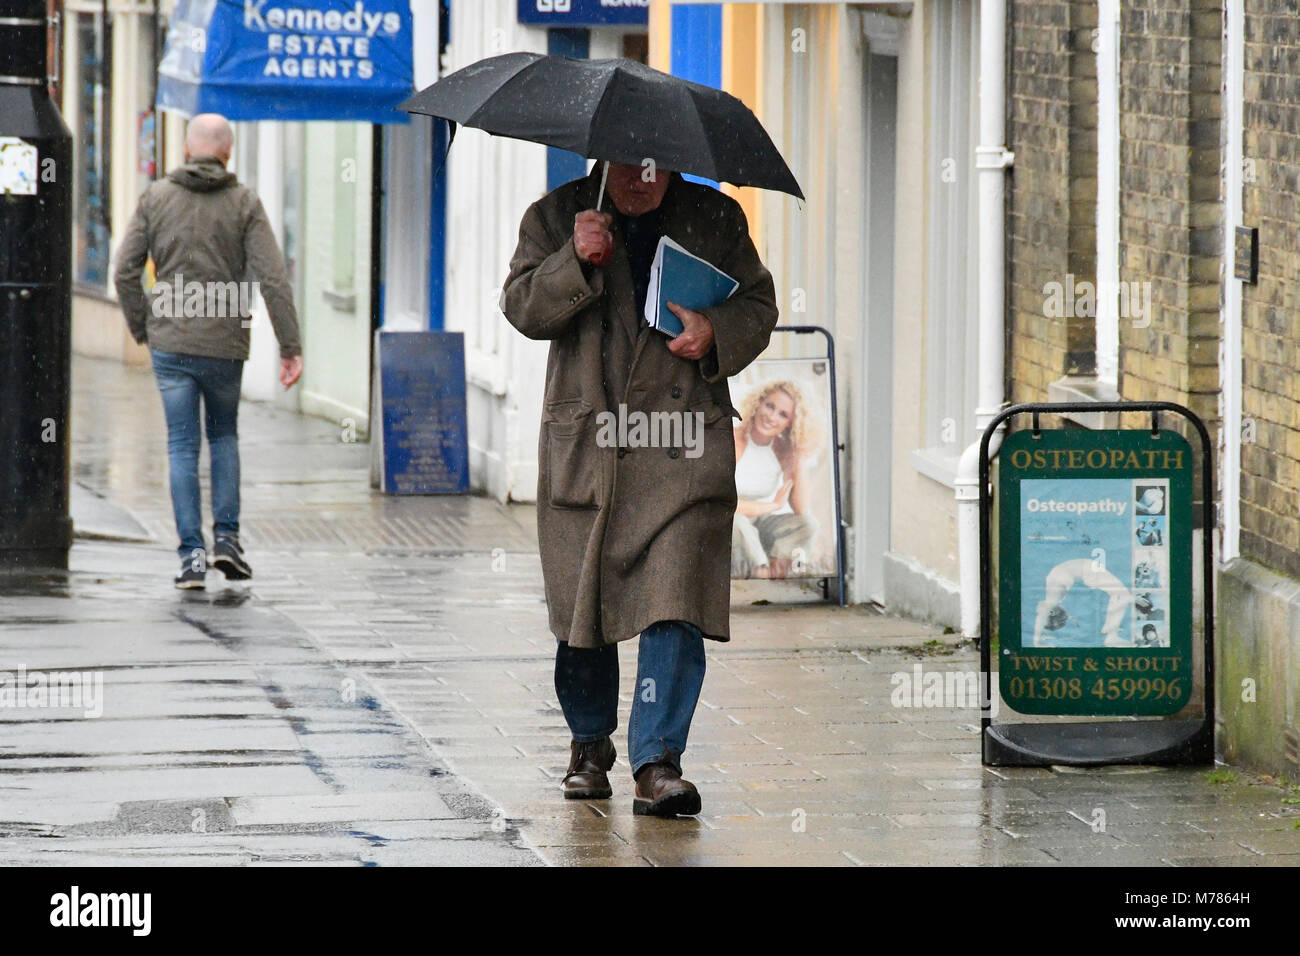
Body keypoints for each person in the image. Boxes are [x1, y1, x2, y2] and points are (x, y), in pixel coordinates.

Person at [501, 160, 778, 817]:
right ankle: (589, 744)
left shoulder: (715, 219)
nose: (644, 178)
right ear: (605, 155)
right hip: (591, 441)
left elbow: (759, 305)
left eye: (657, 166)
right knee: (583, 609)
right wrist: (574, 259)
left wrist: (717, 332)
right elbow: (522, 308)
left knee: (675, 596)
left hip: (683, 444)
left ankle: (658, 761)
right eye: (631, 165)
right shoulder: (556, 214)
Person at [114, 114, 303, 590]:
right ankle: (228, 542)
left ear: (185, 150)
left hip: (172, 343)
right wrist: (290, 346)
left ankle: (191, 558)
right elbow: (273, 278)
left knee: (181, 445)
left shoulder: (156, 197)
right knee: (223, 438)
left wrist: (145, 327)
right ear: (228, 153)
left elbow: (124, 270)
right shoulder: (244, 202)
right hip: (224, 343)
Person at [731, 380, 819, 578]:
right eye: (769, 406)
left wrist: (799, 455)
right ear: (757, 404)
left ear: (791, 423)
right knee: (736, 521)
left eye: (783, 414)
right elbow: (723, 503)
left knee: (808, 523)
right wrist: (770, 506)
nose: (771, 417)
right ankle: (760, 573)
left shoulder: (782, 450)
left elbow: (801, 508)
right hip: (726, 517)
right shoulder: (732, 438)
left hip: (756, 521)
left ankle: (777, 571)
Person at [1032, 557, 1134, 647]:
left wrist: (1037, 642)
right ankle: (1111, 634)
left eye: (1062, 619)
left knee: (1123, 595)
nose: (1067, 617)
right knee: (1122, 595)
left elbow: (1042, 615)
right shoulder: (1054, 595)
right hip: (1087, 570)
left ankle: (1111, 634)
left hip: (1087, 570)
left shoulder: (1052, 597)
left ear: (1053, 613)